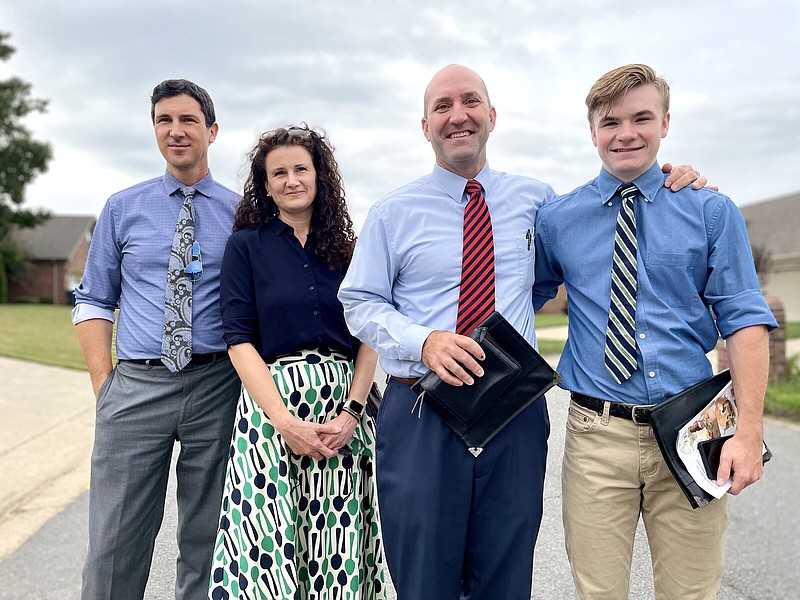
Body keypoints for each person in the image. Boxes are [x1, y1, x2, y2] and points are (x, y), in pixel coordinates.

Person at [337, 64, 704, 600]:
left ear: (491, 115)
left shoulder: (538, 201)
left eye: (469, 102)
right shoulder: (392, 213)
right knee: (424, 576)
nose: (457, 115)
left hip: (513, 411)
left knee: (506, 575)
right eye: (442, 106)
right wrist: (426, 340)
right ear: (424, 126)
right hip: (422, 411)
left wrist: (676, 183)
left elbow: (577, 253)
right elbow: (360, 302)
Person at [533, 64, 777, 599]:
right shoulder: (556, 220)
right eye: (610, 121)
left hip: (696, 426)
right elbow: (520, 298)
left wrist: (750, 428)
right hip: (597, 435)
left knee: (690, 592)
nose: (626, 133)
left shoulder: (710, 211)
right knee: (598, 592)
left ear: (665, 123)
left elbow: (745, 321)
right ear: (592, 131)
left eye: (642, 117)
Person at [72, 79, 241, 599]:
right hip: (137, 387)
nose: (176, 131)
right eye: (164, 121)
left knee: (209, 538)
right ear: (154, 130)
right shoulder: (123, 209)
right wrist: (106, 384)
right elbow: (94, 300)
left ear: (211, 131)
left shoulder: (243, 215)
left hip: (218, 386)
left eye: (188, 120)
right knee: (115, 540)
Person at [209, 125, 385, 599]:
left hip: (343, 412)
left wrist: (352, 412)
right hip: (272, 412)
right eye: (278, 172)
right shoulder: (245, 247)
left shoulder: (350, 250)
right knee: (270, 548)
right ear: (265, 185)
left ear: (318, 175)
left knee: (340, 544)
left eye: (300, 169)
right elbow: (238, 340)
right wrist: (284, 422)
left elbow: (369, 336)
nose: (291, 180)